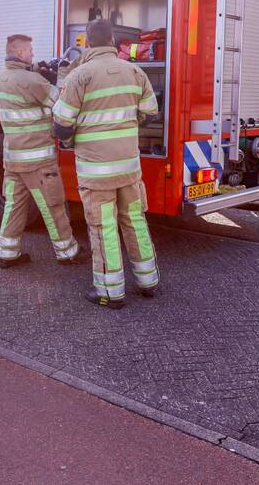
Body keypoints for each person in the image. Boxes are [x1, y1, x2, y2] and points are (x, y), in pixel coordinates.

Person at [52, 19, 160, 309]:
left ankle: (111, 292)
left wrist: (73, 137)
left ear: (87, 42)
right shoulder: (136, 71)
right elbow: (151, 113)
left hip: (96, 170)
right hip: (129, 168)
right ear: (112, 40)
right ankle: (148, 281)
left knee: (104, 227)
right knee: (135, 220)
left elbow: (61, 124)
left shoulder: (79, 76)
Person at [0, 34, 84, 269]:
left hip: (13, 160)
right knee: (53, 206)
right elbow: (61, 101)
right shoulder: (31, 81)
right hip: (38, 160)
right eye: (30, 51)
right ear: (21, 53)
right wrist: (62, 74)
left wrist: (36, 69)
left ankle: (8, 252)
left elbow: (24, 83)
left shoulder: (3, 77)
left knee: (13, 207)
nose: (33, 54)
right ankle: (67, 251)